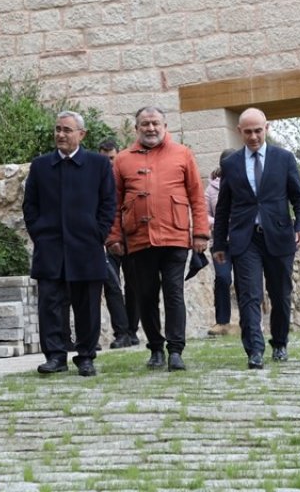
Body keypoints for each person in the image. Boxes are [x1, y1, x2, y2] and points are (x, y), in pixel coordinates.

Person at [106, 107, 209, 372]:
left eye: (155, 123)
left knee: (174, 293)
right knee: (145, 295)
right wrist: (114, 236)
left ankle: (176, 350)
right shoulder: (122, 160)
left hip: (174, 237)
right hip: (138, 239)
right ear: (136, 128)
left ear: (164, 125)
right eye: (145, 124)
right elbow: (113, 202)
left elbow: (197, 196)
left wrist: (199, 233)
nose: (150, 128)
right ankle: (155, 348)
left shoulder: (183, 154)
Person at [212, 108, 300, 369]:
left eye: (258, 130)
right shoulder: (230, 164)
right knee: (249, 295)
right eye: (248, 132)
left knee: (280, 294)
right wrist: (219, 243)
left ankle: (279, 343)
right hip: (245, 240)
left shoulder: (284, 159)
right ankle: (254, 350)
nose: (253, 136)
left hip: (279, 236)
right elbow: (222, 208)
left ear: (267, 128)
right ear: (239, 132)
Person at [22, 111, 116, 377]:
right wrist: (39, 233)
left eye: (67, 130)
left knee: (87, 306)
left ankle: (85, 356)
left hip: (86, 247)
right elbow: (30, 205)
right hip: (50, 247)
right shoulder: (40, 166)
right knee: (50, 305)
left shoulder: (98, 165)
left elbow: (109, 204)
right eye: (57, 129)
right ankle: (55, 355)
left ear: (81, 134)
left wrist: (98, 234)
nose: (60, 134)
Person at [97, 139, 138, 349]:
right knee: (112, 285)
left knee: (134, 286)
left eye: (111, 158)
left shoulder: (126, 177)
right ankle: (121, 332)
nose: (108, 163)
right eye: (104, 159)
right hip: (106, 241)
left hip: (131, 239)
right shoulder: (95, 180)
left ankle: (132, 331)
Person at [204, 148, 239, 336]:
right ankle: (222, 322)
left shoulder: (244, 182)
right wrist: (220, 221)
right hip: (220, 243)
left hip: (243, 241)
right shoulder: (211, 189)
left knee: (245, 281)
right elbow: (204, 215)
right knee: (223, 278)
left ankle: (249, 320)